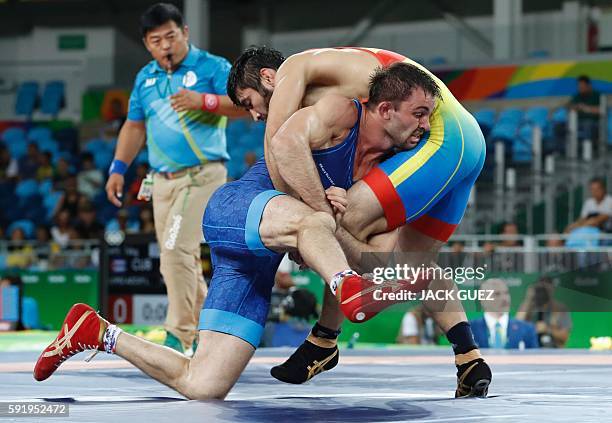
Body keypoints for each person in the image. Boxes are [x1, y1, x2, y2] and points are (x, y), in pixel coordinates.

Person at [34, 63, 462, 399]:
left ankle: (95, 331)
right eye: (420, 114)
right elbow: (285, 146)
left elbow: (376, 247)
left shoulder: (385, 167)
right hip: (235, 209)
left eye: (428, 116)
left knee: (204, 385)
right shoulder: (338, 110)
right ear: (386, 108)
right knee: (316, 220)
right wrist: (324, 220)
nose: (425, 126)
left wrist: (401, 270)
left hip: (253, 261)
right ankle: (346, 286)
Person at [229, 46, 490, 397]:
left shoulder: (294, 68)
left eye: (248, 103)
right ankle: (469, 358)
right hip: (460, 138)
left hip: (438, 138)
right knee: (411, 264)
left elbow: (277, 141)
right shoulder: (334, 95)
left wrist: (305, 219)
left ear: (267, 78)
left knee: (343, 224)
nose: (254, 115)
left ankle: (323, 339)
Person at [104, 3, 245, 354]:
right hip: (161, 182)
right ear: (147, 45)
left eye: (171, 36)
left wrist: (205, 101)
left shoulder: (212, 67)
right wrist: (118, 169)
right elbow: (135, 126)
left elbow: (244, 104)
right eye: (156, 40)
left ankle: (178, 335)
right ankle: (210, 335)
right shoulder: (146, 78)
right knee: (178, 260)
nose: (166, 46)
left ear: (185, 32)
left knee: (174, 251)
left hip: (201, 177)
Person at [469, 279, 538, 349]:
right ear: (482, 299)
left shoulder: (527, 329)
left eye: (506, 293)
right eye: (497, 294)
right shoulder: (468, 329)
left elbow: (536, 358)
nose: (504, 298)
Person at [516, 277, 572, 348]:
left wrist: (547, 329)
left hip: (553, 350)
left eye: (547, 289)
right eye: (541, 289)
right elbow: (517, 327)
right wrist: (528, 298)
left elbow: (564, 337)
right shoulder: (528, 307)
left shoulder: (560, 309)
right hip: (530, 349)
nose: (544, 292)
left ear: (553, 289)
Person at [568, 75, 601, 143]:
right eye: (579, 86)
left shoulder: (597, 95)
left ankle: (586, 150)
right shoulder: (577, 96)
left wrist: (586, 108)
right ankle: (561, 150)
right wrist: (574, 107)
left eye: (582, 86)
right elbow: (569, 106)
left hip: (594, 123)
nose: (580, 88)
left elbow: (601, 110)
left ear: (588, 85)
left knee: (587, 125)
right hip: (578, 122)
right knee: (560, 126)